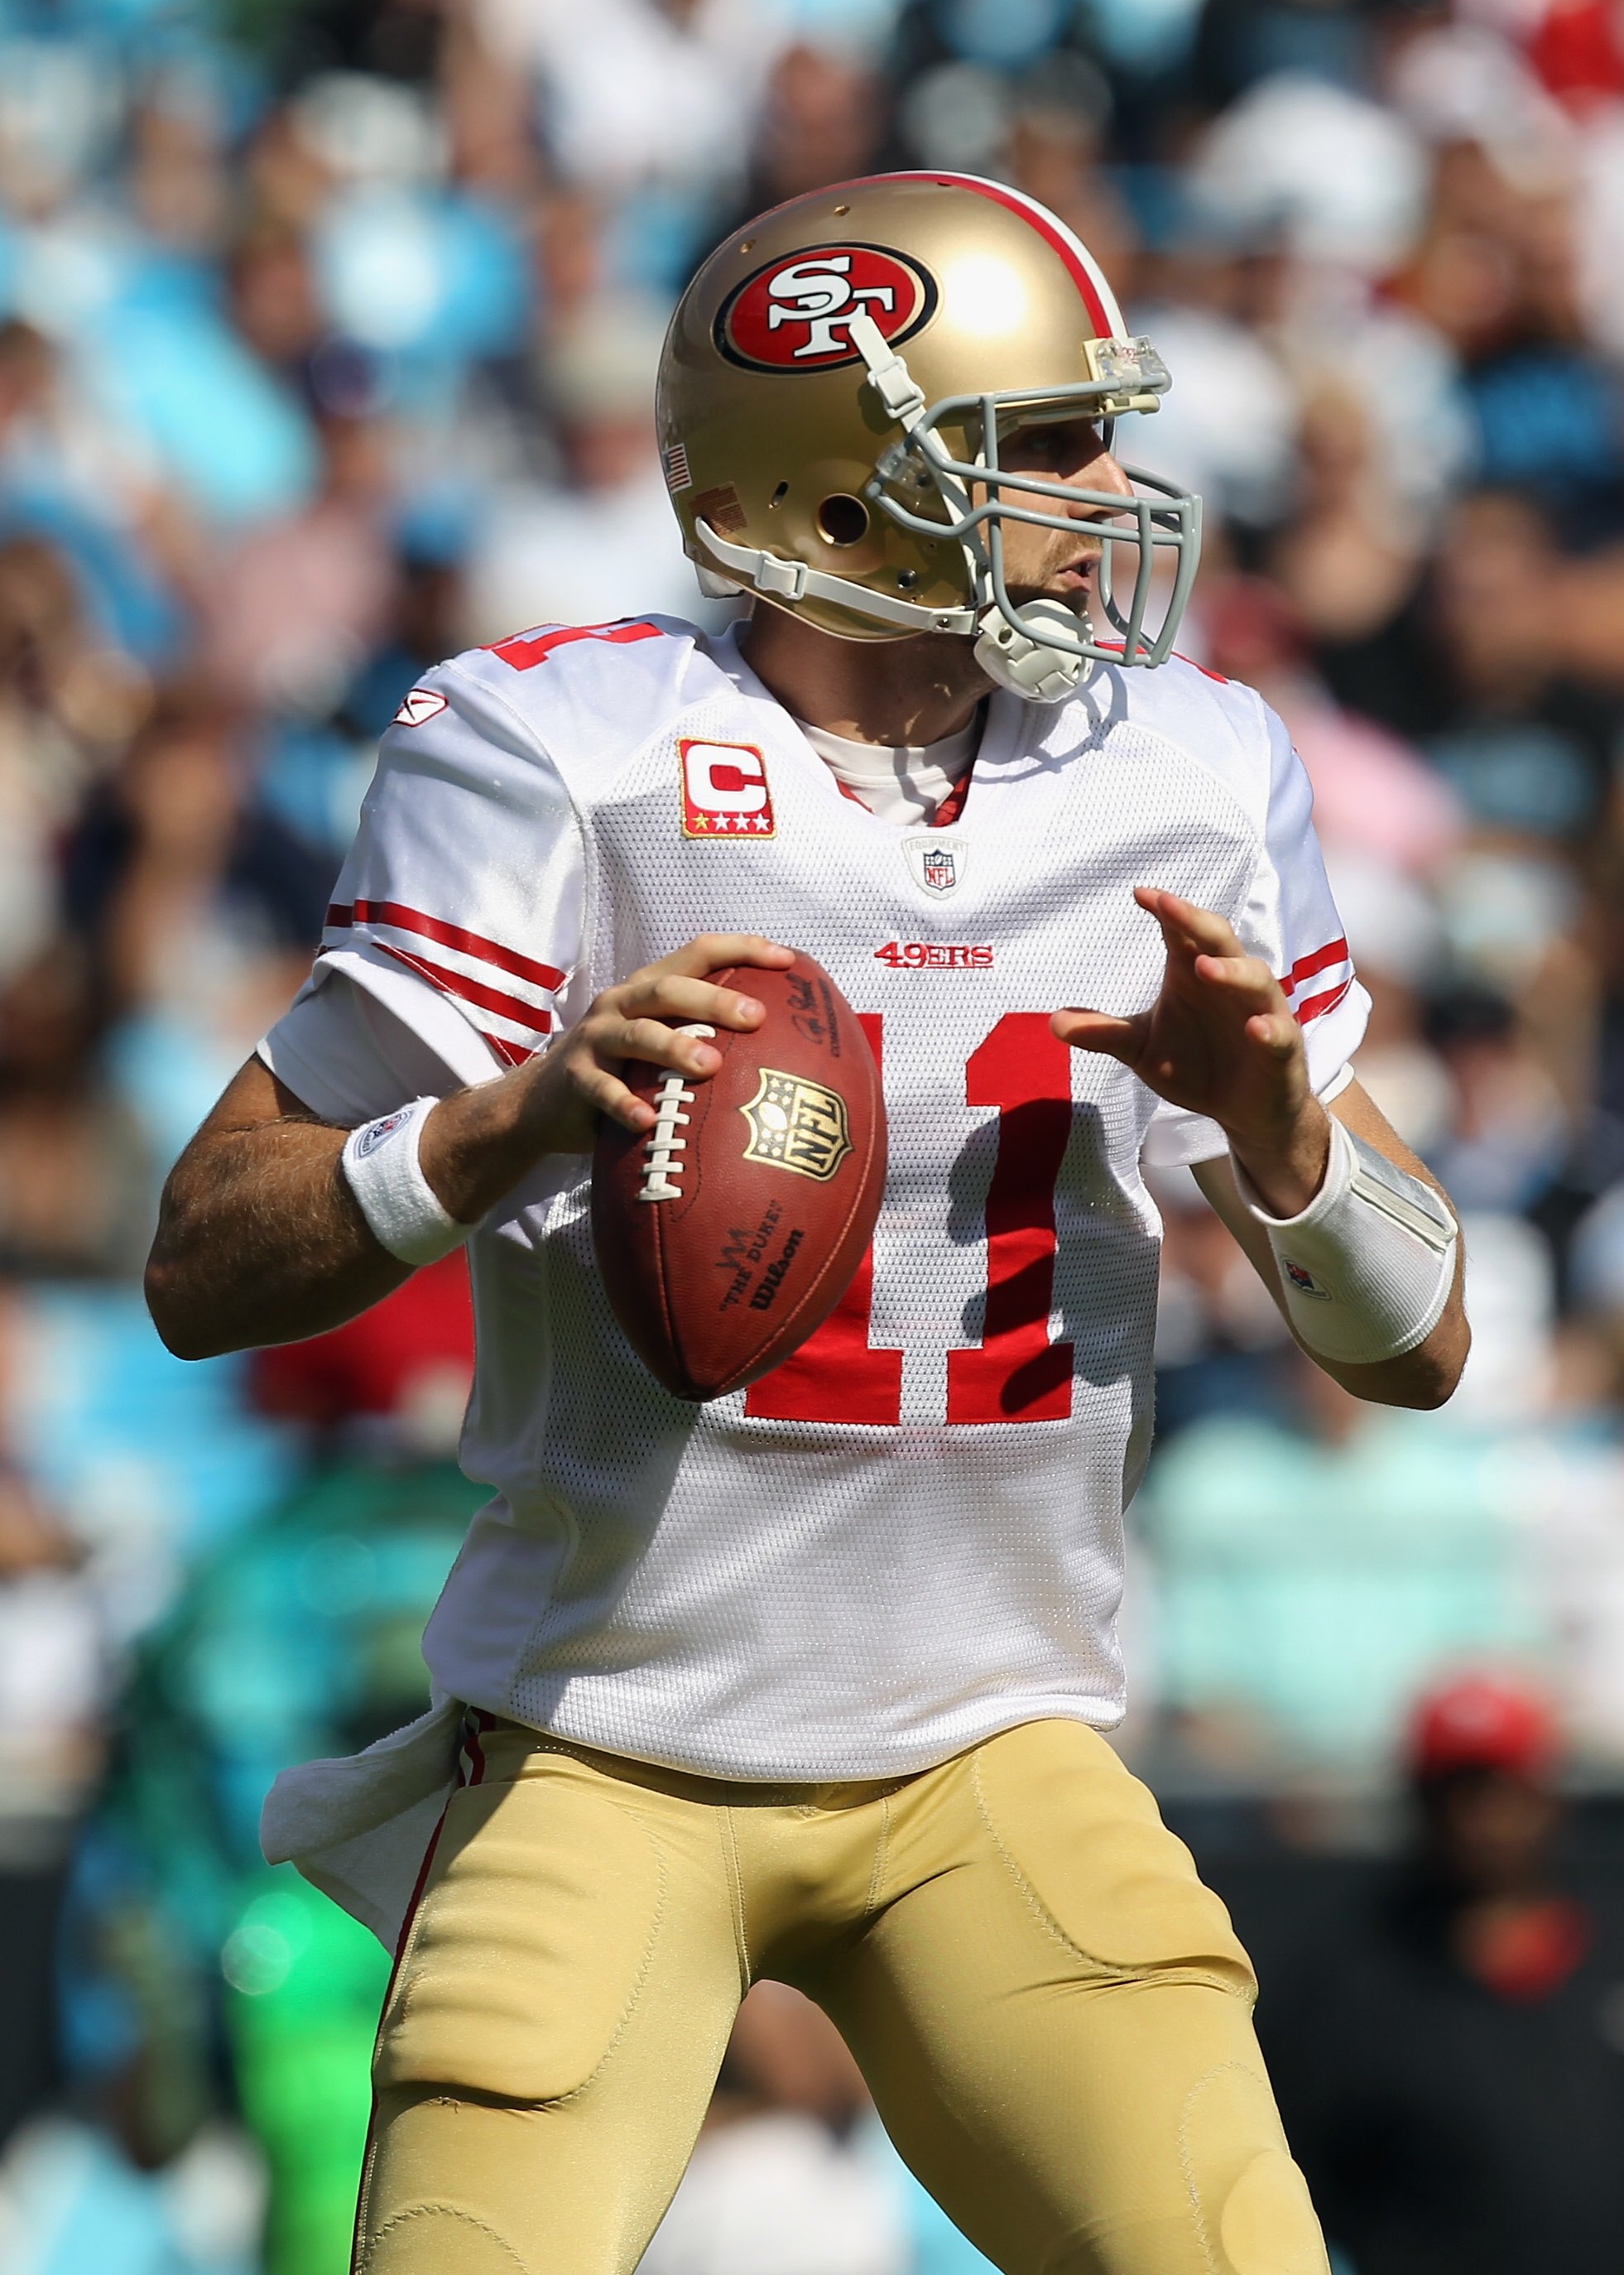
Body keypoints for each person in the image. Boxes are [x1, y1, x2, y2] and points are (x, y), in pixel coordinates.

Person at [144, 173, 1469, 2275]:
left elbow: (1420, 1350)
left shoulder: (1193, 770)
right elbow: (204, 1260)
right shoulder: (567, 755)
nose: (1111, 488)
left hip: (989, 1743)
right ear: (849, 482)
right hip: (608, 1742)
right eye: (1044, 443)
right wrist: (496, 1129)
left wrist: (1281, 1137)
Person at [1261, 1674, 1624, 2275]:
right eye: (1456, 1792)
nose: (1481, 1818)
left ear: (1548, 1795)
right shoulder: (1346, 1983)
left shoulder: (1611, 1953)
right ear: (1418, 1802)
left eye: (1502, 1788)